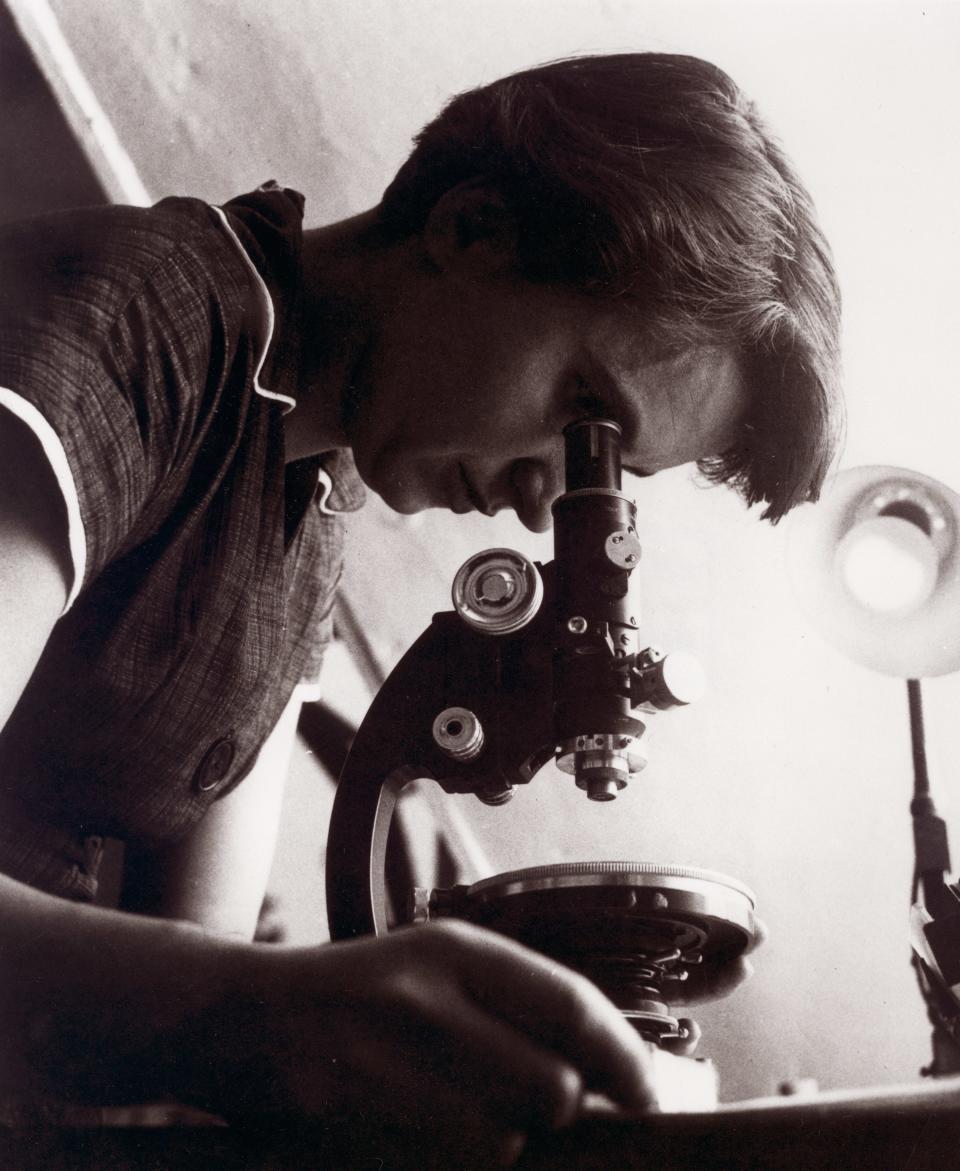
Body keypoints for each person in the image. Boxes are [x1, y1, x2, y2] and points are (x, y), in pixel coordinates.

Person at [0, 52, 841, 1166]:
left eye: (606, 471)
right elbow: (229, 1009)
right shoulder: (137, 322)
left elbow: (192, 959)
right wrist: (270, 1021)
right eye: (581, 409)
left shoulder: (309, 500)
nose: (552, 502)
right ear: (474, 228)